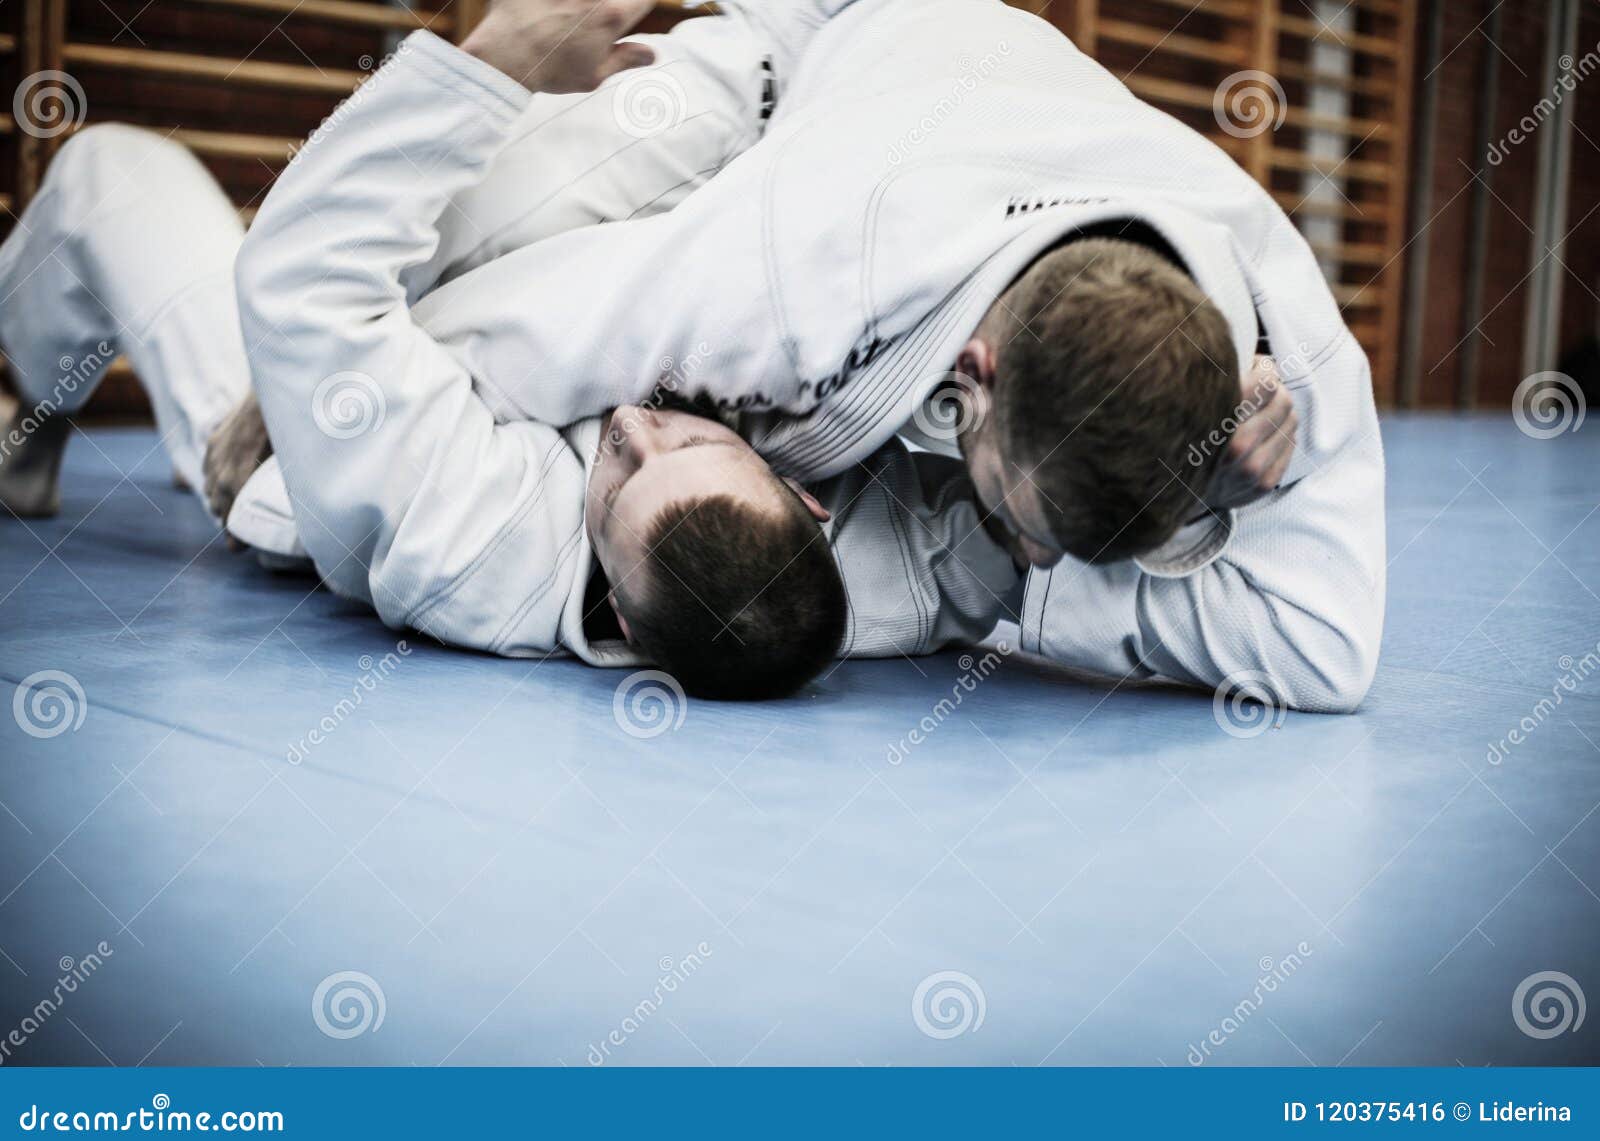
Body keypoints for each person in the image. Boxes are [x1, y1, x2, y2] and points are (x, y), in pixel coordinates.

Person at [273, 0, 1375, 712]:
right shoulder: (793, 265)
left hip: (994, 91)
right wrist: (312, 435)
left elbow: (1326, 650)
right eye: (1031, 530)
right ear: (974, 374)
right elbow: (488, 337)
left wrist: (1195, 516)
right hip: (808, 49)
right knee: (504, 208)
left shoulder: (1293, 352)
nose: (1033, 564)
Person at [0, 7, 1016, 695]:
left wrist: (496, 65)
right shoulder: (866, 582)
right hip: (482, 300)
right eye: (688, 441)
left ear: (615, 607)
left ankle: (19, 422)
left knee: (108, 174)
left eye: (619, 475)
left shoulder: (467, 542)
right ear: (805, 502)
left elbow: (308, 280)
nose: (631, 426)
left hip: (279, 427)